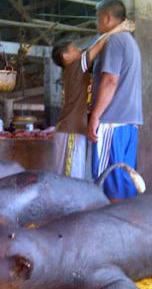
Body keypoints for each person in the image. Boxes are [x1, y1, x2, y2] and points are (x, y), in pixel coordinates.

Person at [50, 20, 134, 179]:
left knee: (73, 173)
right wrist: (119, 28)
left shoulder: (72, 71)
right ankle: (69, 203)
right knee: (71, 176)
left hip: (72, 128)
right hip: (71, 130)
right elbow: (97, 46)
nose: (79, 49)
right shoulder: (75, 66)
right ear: (65, 56)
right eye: (74, 48)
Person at [88, 0, 142, 201]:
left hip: (111, 121)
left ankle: (113, 229)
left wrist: (95, 115)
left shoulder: (115, 41)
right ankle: (129, 227)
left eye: (97, 18)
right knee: (124, 178)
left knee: (108, 180)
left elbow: (110, 80)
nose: (96, 23)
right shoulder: (130, 42)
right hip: (128, 123)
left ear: (106, 17)